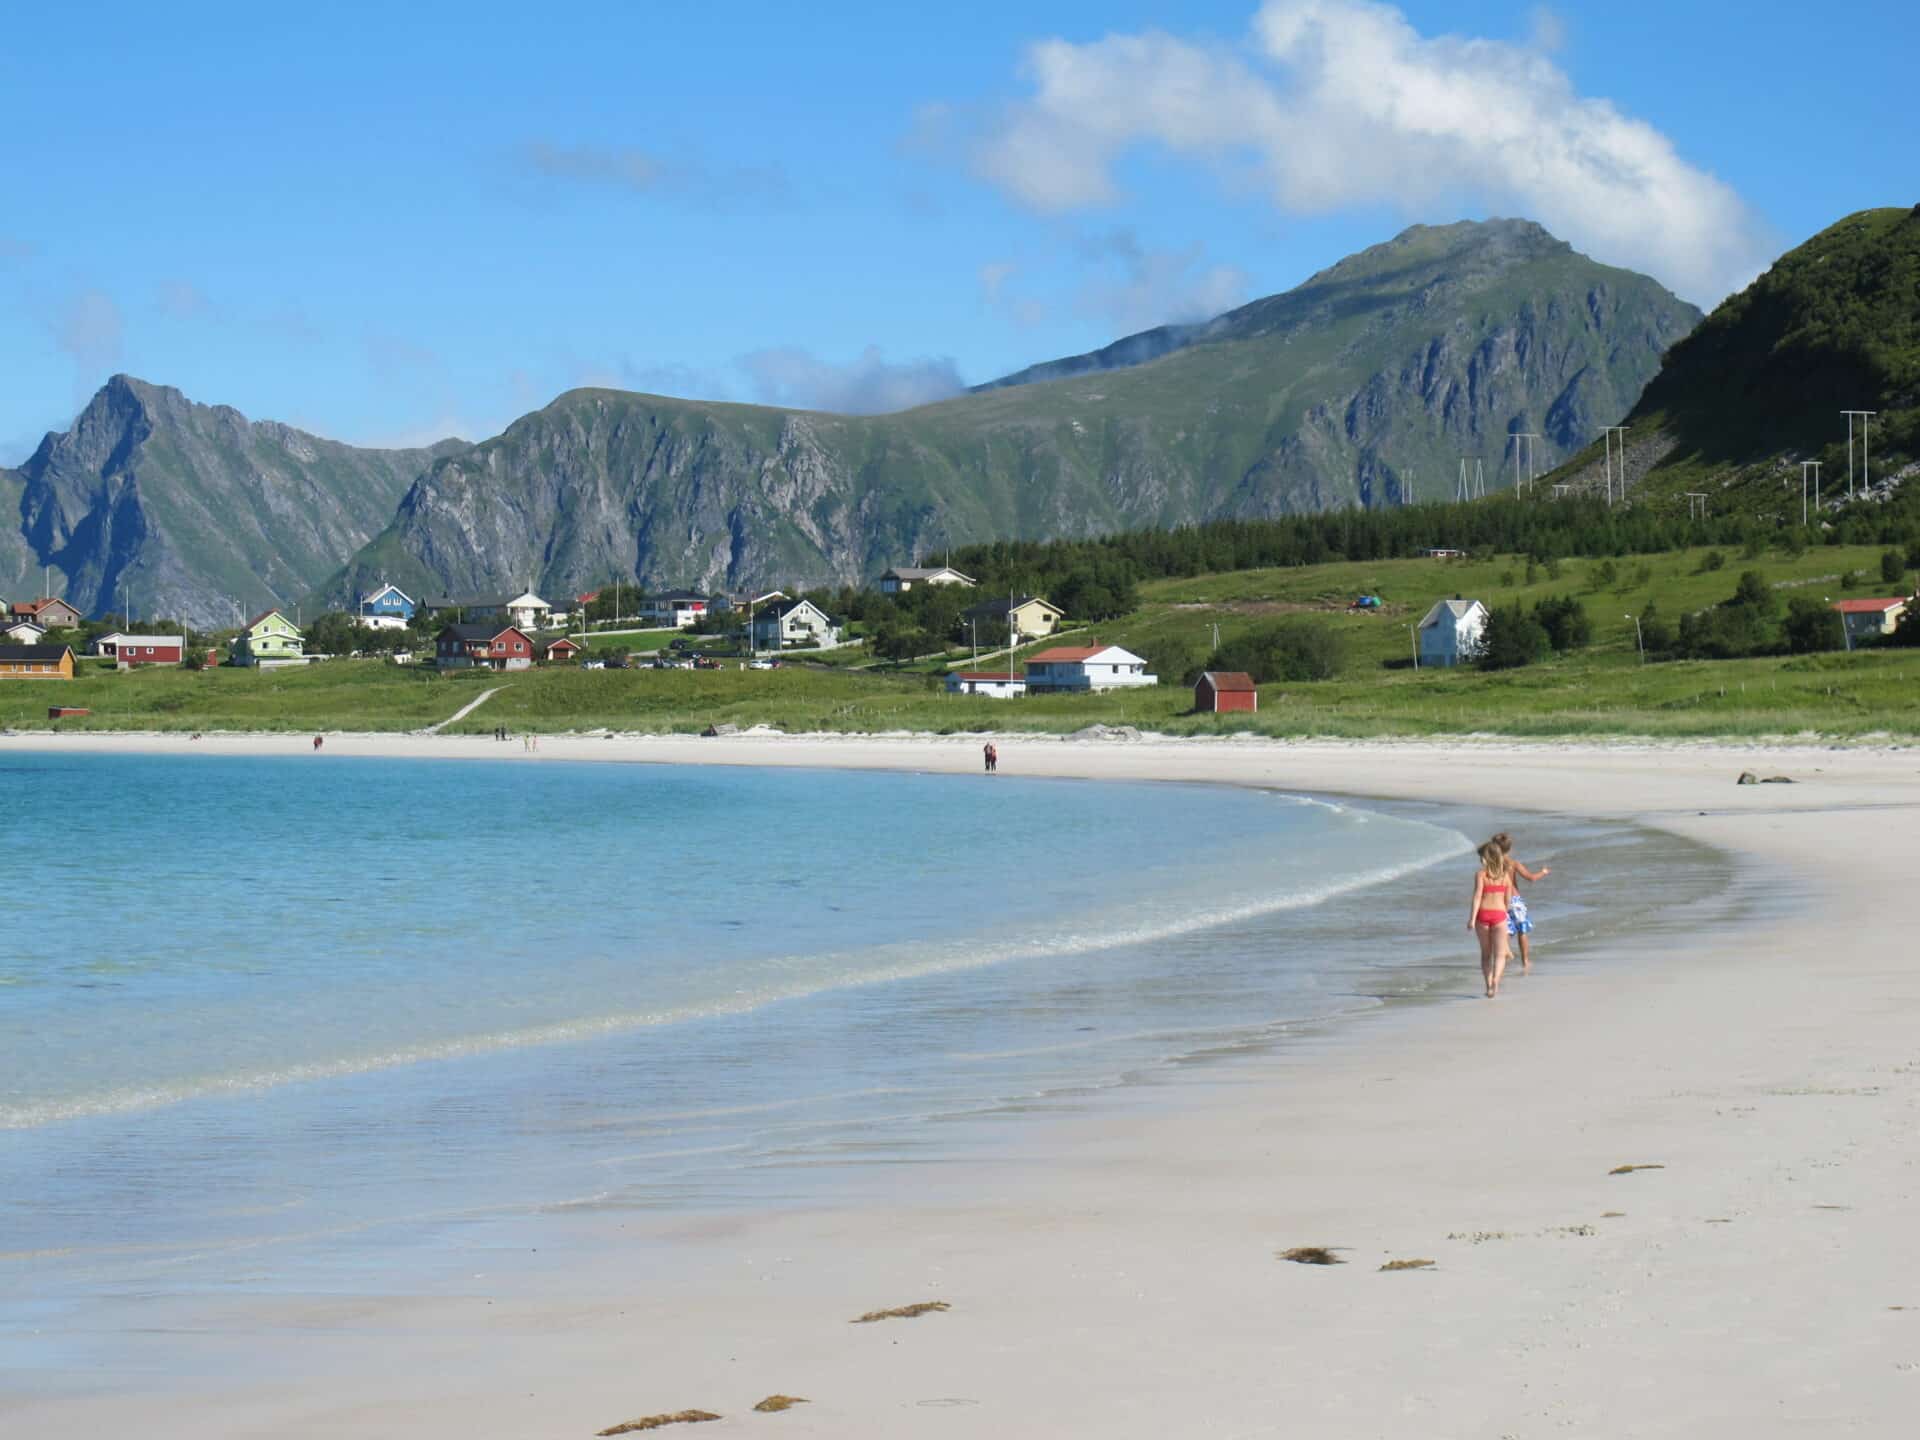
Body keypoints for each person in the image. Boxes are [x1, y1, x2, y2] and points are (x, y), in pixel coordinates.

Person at [1490, 832, 1551, 973]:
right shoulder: (1513, 864)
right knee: (1522, 931)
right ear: (1510, 849)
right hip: (1515, 901)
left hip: (1499, 901)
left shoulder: (1492, 866)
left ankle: (1503, 957)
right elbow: (1531, 878)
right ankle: (1525, 960)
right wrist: (1543, 872)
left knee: (1506, 931)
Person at [1468, 840, 1515, 998]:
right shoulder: (1505, 877)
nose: (1480, 860)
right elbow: (1508, 901)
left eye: (1481, 856)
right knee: (1500, 955)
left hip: (1483, 915)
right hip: (1499, 916)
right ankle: (1496, 980)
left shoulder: (1481, 875)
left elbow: (1477, 897)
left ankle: (1488, 985)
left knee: (1486, 954)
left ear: (1486, 857)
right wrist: (1506, 915)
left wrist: (1472, 919)